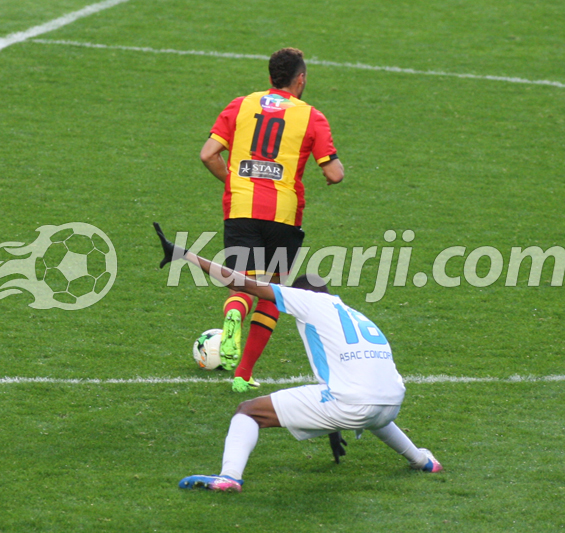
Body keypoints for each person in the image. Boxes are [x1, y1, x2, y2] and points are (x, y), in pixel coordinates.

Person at [153, 223, 443, 493]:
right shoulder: (354, 314)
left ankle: (229, 477)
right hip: (391, 403)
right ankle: (422, 460)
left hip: (354, 403)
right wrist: (333, 424)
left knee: (248, 410)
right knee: (368, 405)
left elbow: (242, 283)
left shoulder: (307, 300)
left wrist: (185, 254)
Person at [199, 47, 345, 393]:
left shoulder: (241, 105)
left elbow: (208, 154)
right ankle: (243, 374)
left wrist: (234, 182)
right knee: (272, 292)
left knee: (241, 283)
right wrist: (332, 170)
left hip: (241, 208)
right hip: (283, 215)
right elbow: (334, 173)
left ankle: (234, 313)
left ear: (270, 78)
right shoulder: (311, 116)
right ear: (300, 79)